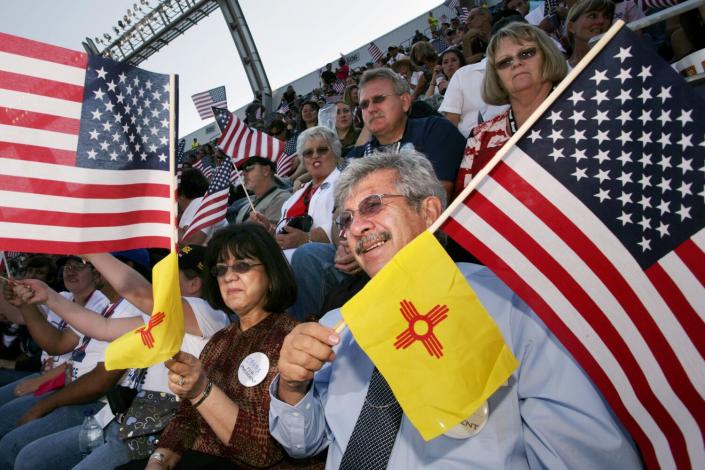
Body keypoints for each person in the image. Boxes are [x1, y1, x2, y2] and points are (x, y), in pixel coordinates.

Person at [269, 150, 642, 469]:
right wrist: (292, 386)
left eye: (373, 205)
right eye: (345, 219)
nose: (356, 228)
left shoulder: (512, 303)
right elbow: (302, 442)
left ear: (429, 211)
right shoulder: (336, 327)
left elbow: (585, 454)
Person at [11, 246, 230, 470]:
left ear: (195, 284)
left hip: (152, 432)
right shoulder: (161, 315)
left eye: (168, 275)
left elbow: (140, 295)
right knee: (29, 458)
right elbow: (102, 327)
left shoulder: (207, 315)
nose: (159, 281)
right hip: (121, 418)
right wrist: (49, 296)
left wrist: (91, 249)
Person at [144, 224, 321, 469]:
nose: (229, 276)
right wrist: (159, 459)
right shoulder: (219, 340)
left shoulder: (292, 341)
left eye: (242, 265)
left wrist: (201, 390)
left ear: (271, 273)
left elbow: (264, 451)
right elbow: (186, 417)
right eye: (220, 269)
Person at [0, 254, 148, 469]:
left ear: (126, 267)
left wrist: (42, 406)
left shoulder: (135, 310)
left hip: (98, 404)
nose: (73, 270)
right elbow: (59, 344)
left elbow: (100, 381)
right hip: (74, 392)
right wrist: (27, 304)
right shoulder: (105, 303)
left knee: (22, 455)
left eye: (87, 264)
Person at [454, 22, 568, 196]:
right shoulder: (479, 138)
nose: (516, 63)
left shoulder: (581, 111)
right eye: (504, 62)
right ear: (497, 77)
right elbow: (466, 207)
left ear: (547, 56)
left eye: (527, 53)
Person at [346, 68, 465, 202]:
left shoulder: (435, 131)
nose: (371, 109)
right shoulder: (355, 159)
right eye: (364, 105)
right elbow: (341, 215)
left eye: (379, 99)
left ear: (404, 102)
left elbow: (435, 204)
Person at [259, 126, 341, 259]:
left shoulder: (345, 183)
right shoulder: (297, 194)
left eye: (322, 150)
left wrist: (306, 238)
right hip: (286, 260)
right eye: (308, 153)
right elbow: (285, 235)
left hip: (324, 258)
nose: (315, 156)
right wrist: (270, 229)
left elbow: (342, 225)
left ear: (335, 153)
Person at [232, 156, 291, 226]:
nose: (243, 174)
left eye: (248, 168)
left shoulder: (283, 199)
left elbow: (274, 233)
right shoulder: (245, 207)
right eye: (242, 170)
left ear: (266, 170)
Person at [566, 0, 615, 68]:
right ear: (571, 27)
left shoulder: (619, 63)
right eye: (593, 16)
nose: (601, 21)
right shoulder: (560, 73)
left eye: (607, 16)